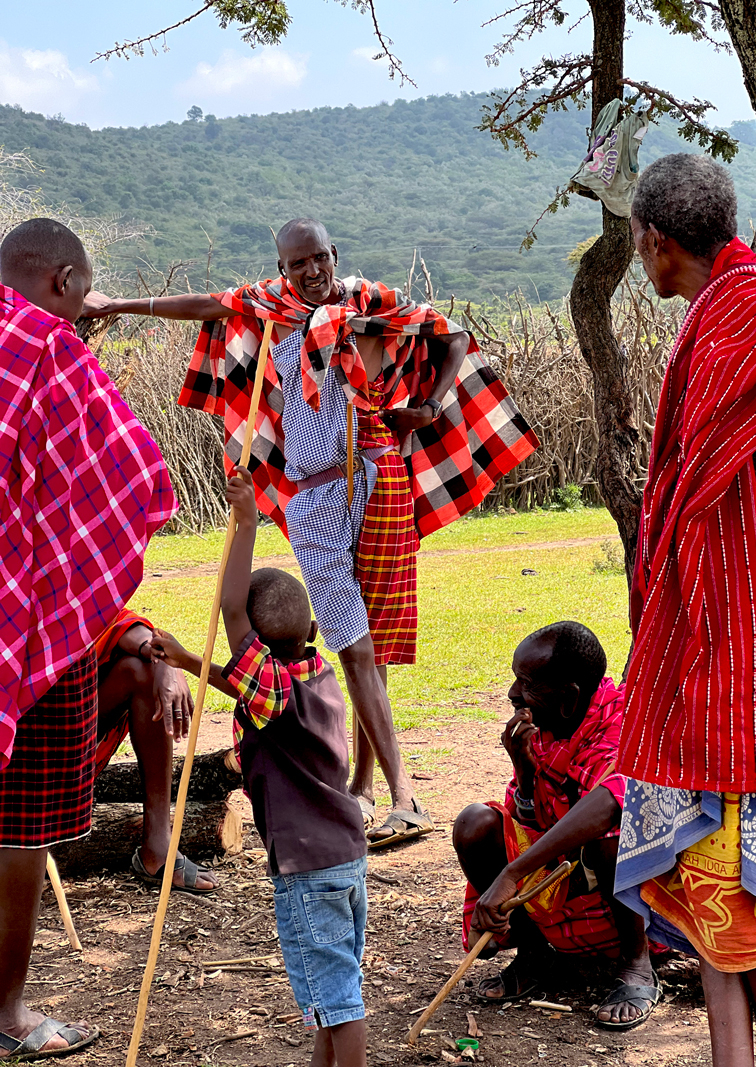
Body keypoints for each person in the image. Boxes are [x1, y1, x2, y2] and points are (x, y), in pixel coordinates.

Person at [83, 218, 538, 848]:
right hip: (313, 501)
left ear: (334, 254)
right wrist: (120, 304)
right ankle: (394, 793)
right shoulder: (274, 307)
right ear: (283, 267)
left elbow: (452, 333)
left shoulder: (368, 303)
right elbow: (204, 305)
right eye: (300, 264)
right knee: (353, 645)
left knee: (368, 645)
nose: (314, 272)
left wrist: (429, 406)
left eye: (321, 258)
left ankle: (375, 789)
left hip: (382, 484)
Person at [613, 153, 756, 1067]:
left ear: (655, 244)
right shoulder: (731, 308)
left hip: (750, 635)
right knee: (731, 892)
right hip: (722, 624)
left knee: (753, 898)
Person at [0, 218, 176, 1060]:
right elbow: (132, 479)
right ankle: (8, 1013)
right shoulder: (51, 355)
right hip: (21, 630)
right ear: (66, 280)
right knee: (18, 832)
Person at [151, 467, 368, 1067]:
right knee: (331, 997)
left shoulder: (270, 686)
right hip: (345, 857)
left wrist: (246, 520)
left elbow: (232, 611)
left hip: (308, 868)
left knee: (339, 1002)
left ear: (260, 647)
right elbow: (252, 689)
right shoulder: (314, 675)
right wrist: (192, 660)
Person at [453, 622, 658, 1030]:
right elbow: (529, 823)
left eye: (526, 683)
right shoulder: (547, 727)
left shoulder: (622, 726)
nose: (513, 693)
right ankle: (535, 955)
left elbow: (608, 803)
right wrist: (525, 774)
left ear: (570, 698)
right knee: (476, 823)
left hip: (640, 895)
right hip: (568, 882)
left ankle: (638, 966)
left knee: (609, 836)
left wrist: (514, 873)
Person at [94, 609, 219, 893]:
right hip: (22, 747)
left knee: (144, 672)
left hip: (66, 741)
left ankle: (158, 846)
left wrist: (165, 661)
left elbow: (109, 621)